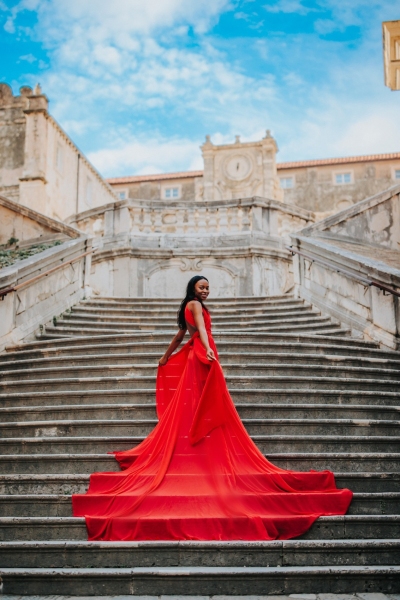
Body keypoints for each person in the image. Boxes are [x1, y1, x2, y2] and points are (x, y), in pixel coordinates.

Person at [72, 275, 352, 541]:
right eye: (201, 286)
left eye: (208, 287)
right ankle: (201, 433)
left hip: (199, 352)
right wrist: (206, 350)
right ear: (193, 288)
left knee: (199, 399)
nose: (205, 290)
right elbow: (200, 332)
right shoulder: (195, 305)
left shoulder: (190, 305)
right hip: (202, 354)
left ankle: (198, 431)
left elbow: (180, 335)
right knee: (206, 397)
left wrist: (166, 355)